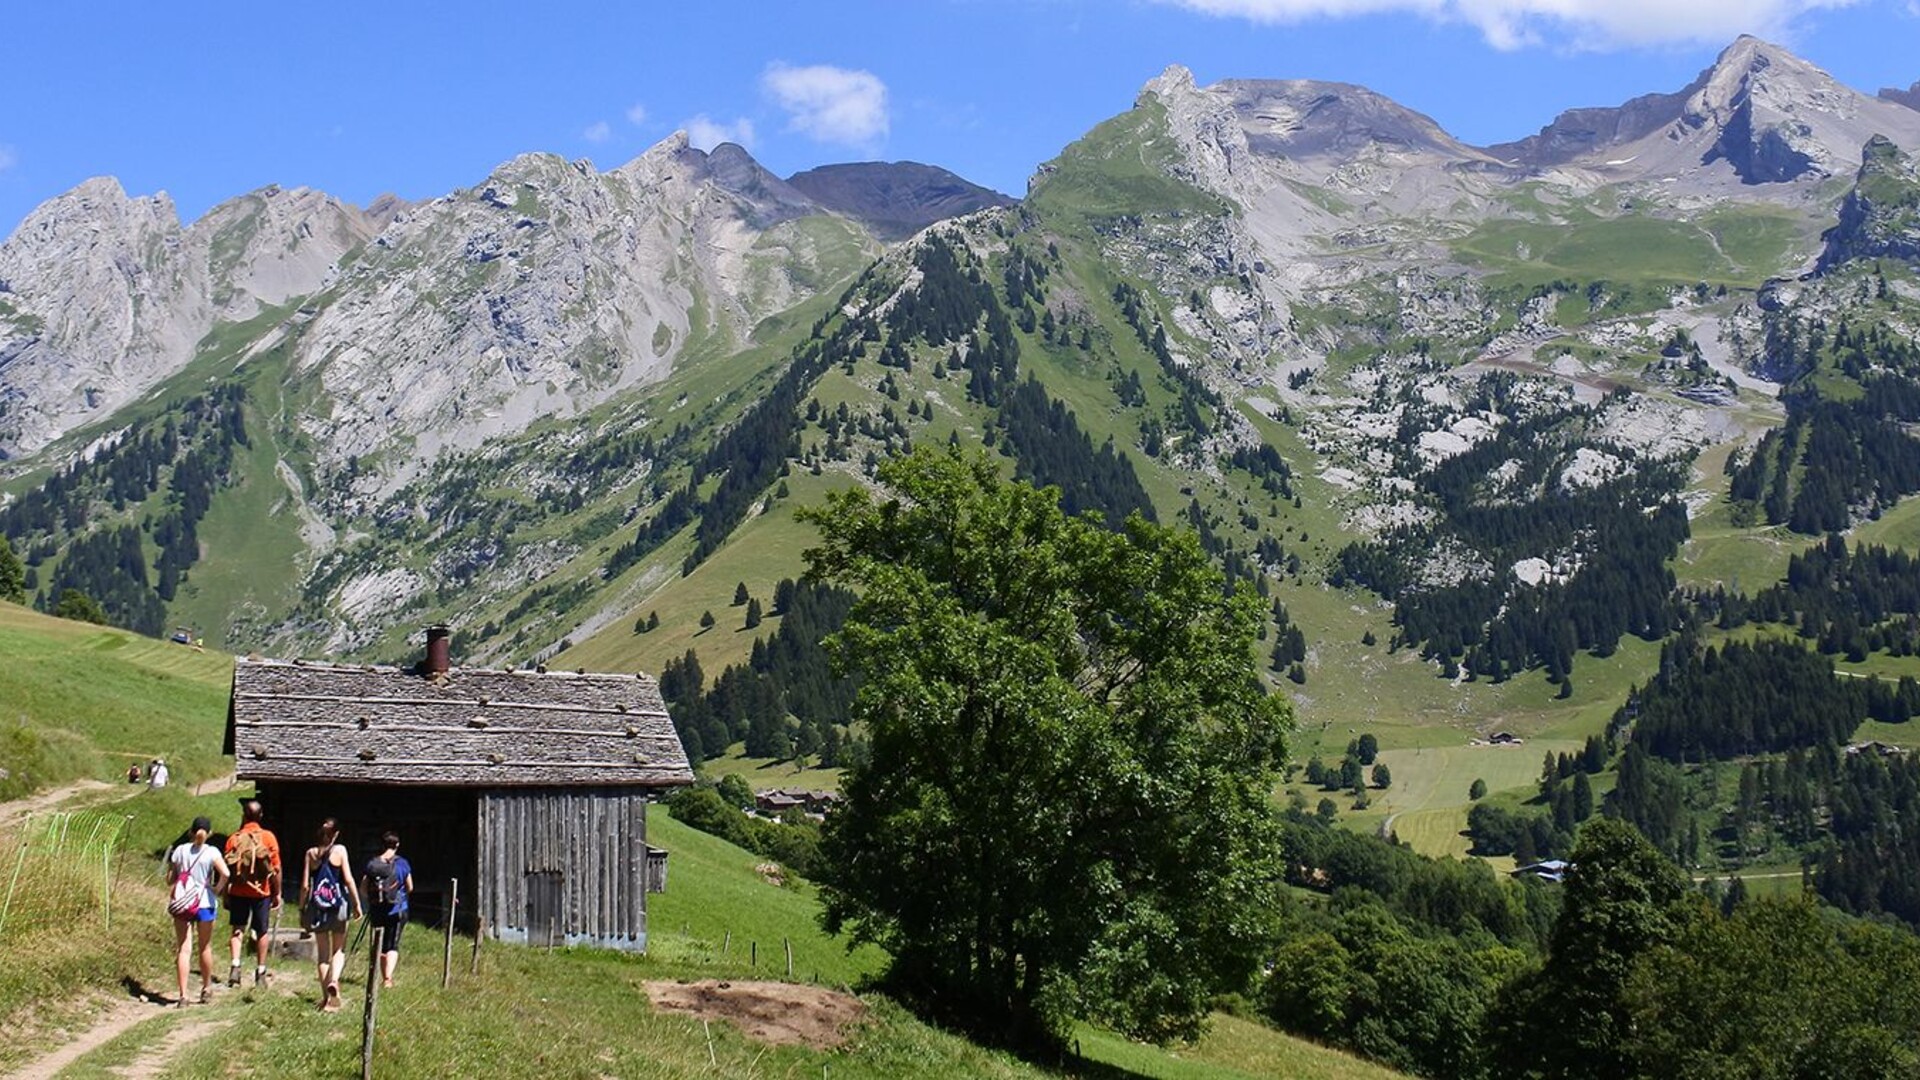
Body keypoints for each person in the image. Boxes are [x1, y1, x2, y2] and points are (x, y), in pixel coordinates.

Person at [165, 816, 229, 1007]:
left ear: (191, 831)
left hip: (183, 903)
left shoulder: (180, 851)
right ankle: (206, 988)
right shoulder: (212, 852)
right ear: (209, 833)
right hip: (204, 903)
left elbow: (170, 879)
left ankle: (183, 995)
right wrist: (216, 890)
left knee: (184, 948)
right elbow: (225, 873)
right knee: (205, 947)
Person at [300, 818, 362, 1012]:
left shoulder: (310, 854)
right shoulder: (340, 851)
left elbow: (304, 886)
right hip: (338, 906)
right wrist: (356, 904)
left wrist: (302, 908)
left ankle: (327, 998)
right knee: (338, 950)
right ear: (335, 834)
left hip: (318, 906)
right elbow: (349, 879)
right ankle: (334, 980)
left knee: (323, 955)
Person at [222, 800, 282, 988]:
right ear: (260, 816)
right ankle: (261, 971)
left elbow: (227, 870)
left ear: (244, 816)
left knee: (238, 928)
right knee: (261, 931)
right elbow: (276, 869)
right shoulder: (268, 838)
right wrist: (276, 893)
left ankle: (235, 966)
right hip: (261, 891)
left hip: (239, 890)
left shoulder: (234, 838)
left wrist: (226, 894)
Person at [362, 832, 413, 988]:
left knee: (379, 942)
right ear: (397, 845)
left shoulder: (372, 864)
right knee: (392, 944)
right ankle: (387, 978)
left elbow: (363, 888)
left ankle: (376, 973)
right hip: (398, 908)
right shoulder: (402, 864)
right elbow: (410, 887)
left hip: (377, 908)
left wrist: (373, 900)